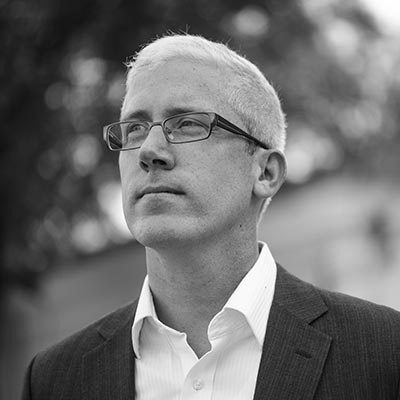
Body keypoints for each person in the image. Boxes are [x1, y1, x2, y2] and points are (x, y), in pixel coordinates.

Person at [22, 34, 400, 400]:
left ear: (265, 172)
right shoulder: (54, 381)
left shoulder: (383, 353)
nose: (149, 151)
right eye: (134, 129)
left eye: (188, 123)